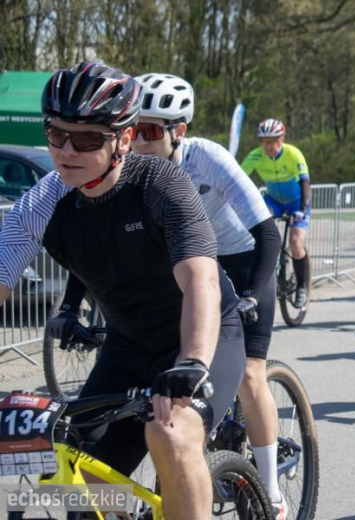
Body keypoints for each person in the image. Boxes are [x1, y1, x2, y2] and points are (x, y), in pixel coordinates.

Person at [0, 62, 247, 520]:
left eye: (87, 140)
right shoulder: (41, 203)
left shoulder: (161, 185)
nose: (67, 150)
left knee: (170, 434)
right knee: (78, 472)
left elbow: (201, 279)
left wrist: (192, 361)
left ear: (124, 140)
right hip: (128, 346)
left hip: (200, 337)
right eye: (56, 134)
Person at [123, 73, 285, 517]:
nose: (138, 142)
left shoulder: (207, 158)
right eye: (132, 130)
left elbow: (268, 232)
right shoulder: (132, 169)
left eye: (150, 130)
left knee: (250, 375)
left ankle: (271, 490)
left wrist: (252, 293)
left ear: (179, 130)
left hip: (243, 259)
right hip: (194, 266)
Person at [241, 119, 311, 308]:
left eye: (271, 141)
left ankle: (302, 286)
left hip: (296, 202)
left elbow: (305, 183)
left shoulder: (293, 153)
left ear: (281, 139)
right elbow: (237, 179)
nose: (267, 146)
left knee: (296, 242)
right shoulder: (255, 156)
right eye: (263, 141)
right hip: (273, 201)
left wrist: (302, 210)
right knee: (256, 233)